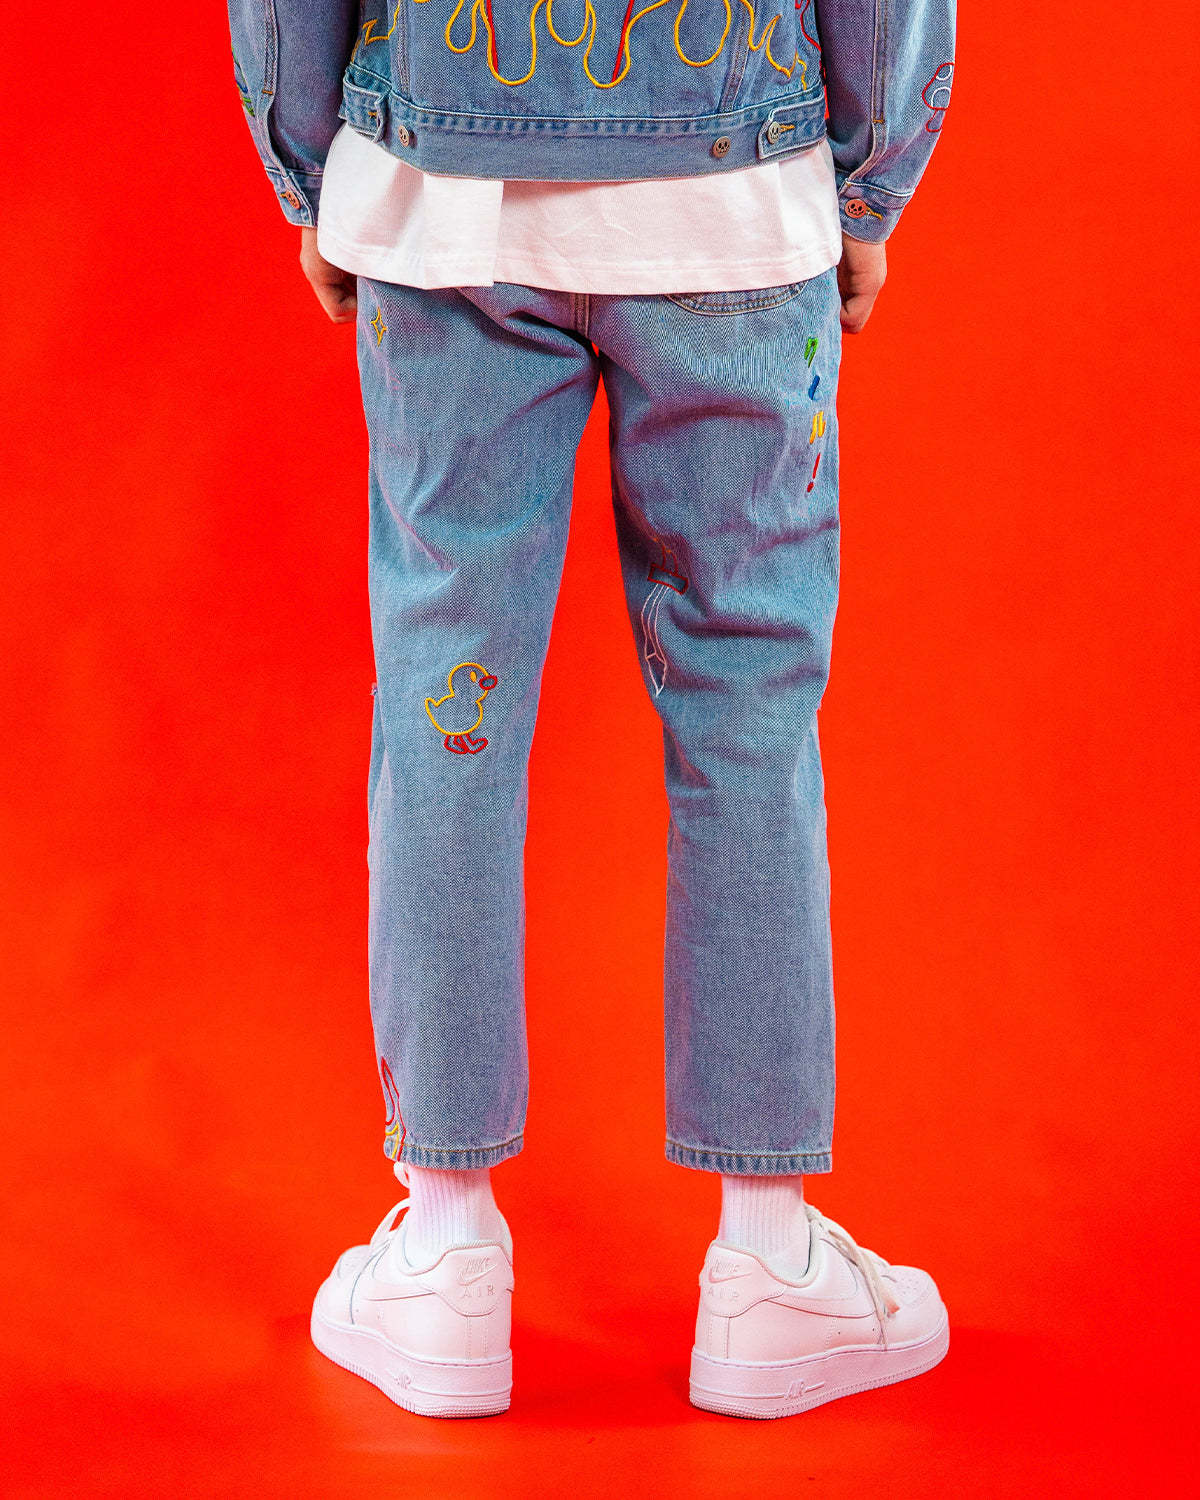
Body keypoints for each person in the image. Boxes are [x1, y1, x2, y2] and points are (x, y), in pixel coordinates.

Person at [227, 0, 957, 1420]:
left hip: (443, 206)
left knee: (447, 705)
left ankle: (445, 1251)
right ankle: (770, 1265)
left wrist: (311, 172)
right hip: (736, 204)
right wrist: (870, 184)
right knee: (748, 704)